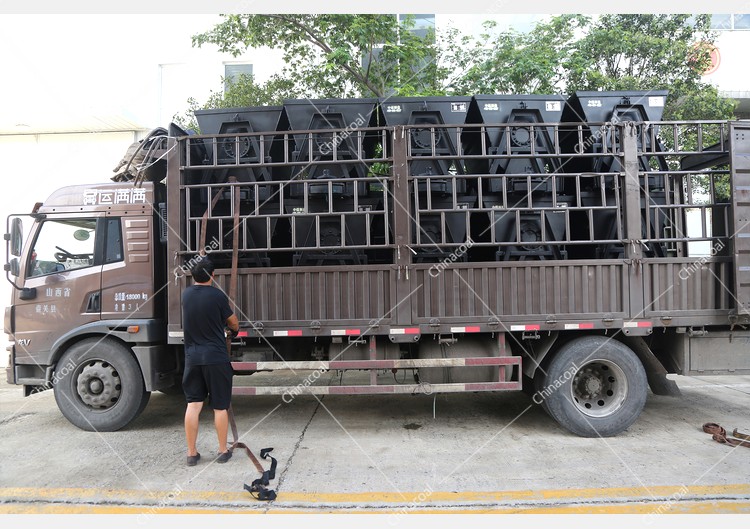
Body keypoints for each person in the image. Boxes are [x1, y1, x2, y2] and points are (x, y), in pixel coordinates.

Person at [182, 256, 239, 466]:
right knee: (220, 406)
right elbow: (232, 321)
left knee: (193, 404)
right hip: (215, 357)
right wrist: (235, 329)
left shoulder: (186, 295)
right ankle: (223, 451)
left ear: (192, 275)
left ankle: (191, 453)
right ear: (213, 276)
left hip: (192, 358)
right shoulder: (217, 296)